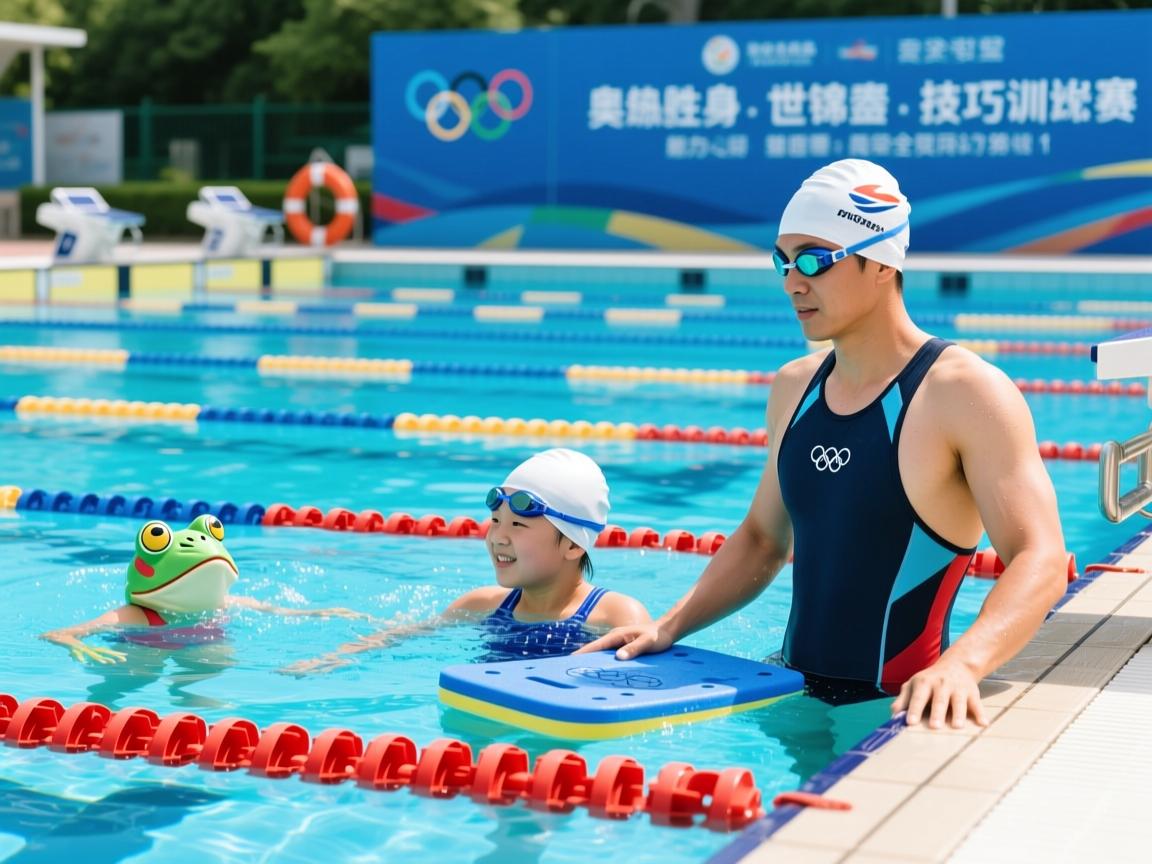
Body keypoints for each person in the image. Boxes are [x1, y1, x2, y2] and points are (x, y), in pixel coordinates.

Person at [580, 159, 1068, 730]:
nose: (793, 280)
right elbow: (763, 538)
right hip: (786, 695)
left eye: (813, 259)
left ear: (882, 261)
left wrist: (963, 665)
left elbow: (1041, 556)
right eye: (782, 261)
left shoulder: (962, 392)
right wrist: (670, 626)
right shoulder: (794, 387)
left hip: (893, 711)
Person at [283, 448, 650, 674]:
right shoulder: (482, 605)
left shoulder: (614, 616)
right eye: (494, 522)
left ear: (573, 545)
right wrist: (338, 656)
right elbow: (399, 635)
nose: (497, 537)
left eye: (518, 525)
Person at [42, 513, 368, 665]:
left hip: (204, 645)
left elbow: (280, 611)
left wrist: (320, 612)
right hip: (145, 647)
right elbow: (58, 634)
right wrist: (79, 646)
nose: (203, 541)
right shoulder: (137, 614)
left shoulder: (226, 601)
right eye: (157, 540)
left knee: (218, 663)